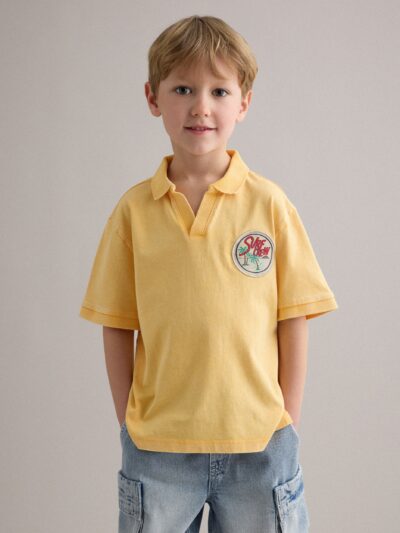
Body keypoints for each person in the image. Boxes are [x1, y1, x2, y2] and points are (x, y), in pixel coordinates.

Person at [79, 14, 338, 533]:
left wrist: (287, 420)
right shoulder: (133, 212)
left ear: (243, 103)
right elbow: (117, 324)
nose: (201, 106)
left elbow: (293, 318)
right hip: (158, 449)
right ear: (153, 97)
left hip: (260, 444)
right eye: (183, 89)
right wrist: (128, 422)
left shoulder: (270, 205)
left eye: (219, 91)